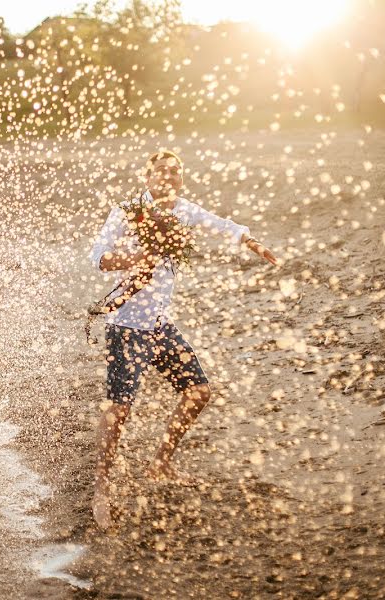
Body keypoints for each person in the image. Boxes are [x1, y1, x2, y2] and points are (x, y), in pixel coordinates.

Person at [89, 150, 278, 530]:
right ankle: (102, 489)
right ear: (147, 177)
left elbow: (221, 224)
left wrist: (253, 242)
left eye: (177, 171)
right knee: (119, 410)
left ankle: (160, 463)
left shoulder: (184, 212)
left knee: (198, 392)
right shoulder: (126, 212)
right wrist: (135, 258)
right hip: (126, 325)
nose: (171, 176)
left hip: (159, 325)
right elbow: (97, 256)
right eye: (163, 170)